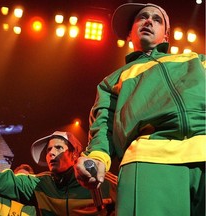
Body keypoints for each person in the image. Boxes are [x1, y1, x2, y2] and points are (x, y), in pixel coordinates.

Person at [74, 3, 206, 216]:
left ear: (166, 36)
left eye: (156, 19)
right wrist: (97, 157)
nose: (148, 21)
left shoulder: (196, 60)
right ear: (129, 34)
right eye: (142, 17)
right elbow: (103, 127)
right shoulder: (112, 81)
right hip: (149, 162)